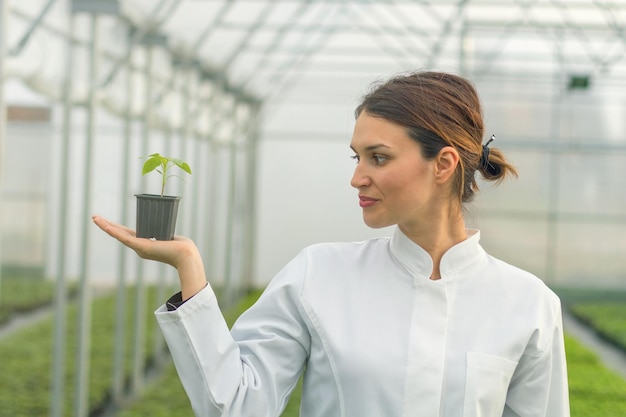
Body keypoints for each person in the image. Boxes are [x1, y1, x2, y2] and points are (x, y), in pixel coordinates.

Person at [93, 71, 570, 417]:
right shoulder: (318, 274)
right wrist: (189, 268)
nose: (356, 177)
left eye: (378, 158)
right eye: (357, 156)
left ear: (443, 164)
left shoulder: (527, 305)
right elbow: (236, 406)